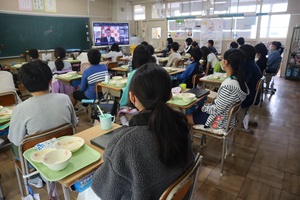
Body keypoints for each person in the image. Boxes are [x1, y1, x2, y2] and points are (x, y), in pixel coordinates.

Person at [79, 63, 194, 199]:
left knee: (84, 193)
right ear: (170, 94)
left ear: (132, 97)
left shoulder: (126, 143)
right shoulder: (180, 125)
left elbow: (104, 191)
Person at [8, 61, 77, 188]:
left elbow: (16, 140)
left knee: (13, 146)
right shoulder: (64, 98)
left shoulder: (20, 109)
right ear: (51, 81)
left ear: (23, 85)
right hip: (64, 150)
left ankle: (35, 177)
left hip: (37, 157)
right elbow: (74, 125)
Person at [187, 48, 249, 129]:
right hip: (227, 119)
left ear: (225, 62)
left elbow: (216, 110)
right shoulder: (241, 81)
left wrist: (202, 107)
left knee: (184, 116)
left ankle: (186, 140)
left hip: (217, 121)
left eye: (223, 59)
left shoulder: (229, 85)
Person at [118, 44, 154, 126]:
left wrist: (121, 104)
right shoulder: (153, 70)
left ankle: (126, 125)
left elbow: (126, 96)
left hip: (139, 108)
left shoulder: (135, 73)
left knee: (120, 109)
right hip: (152, 106)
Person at [239, 44, 262, 108]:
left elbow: (243, 83)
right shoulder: (251, 63)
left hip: (248, 97)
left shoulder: (246, 65)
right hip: (253, 95)